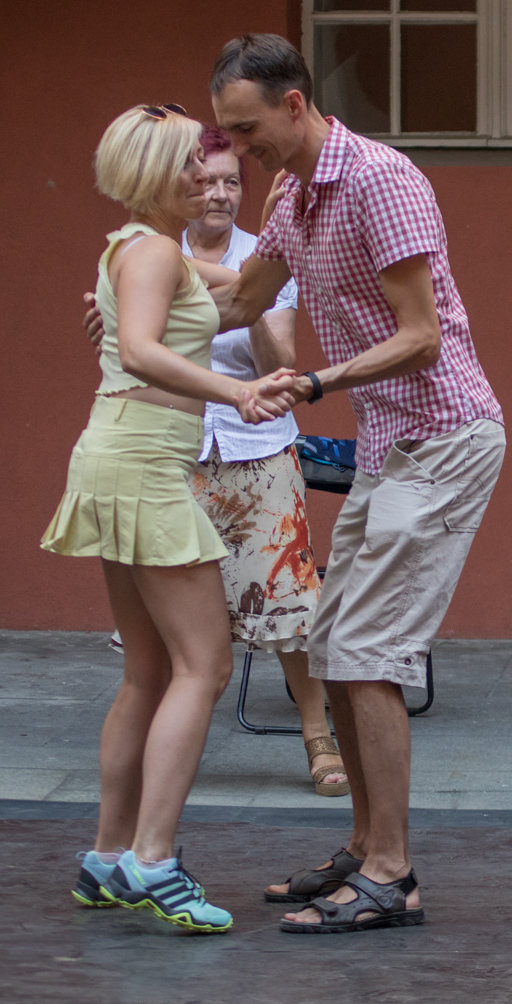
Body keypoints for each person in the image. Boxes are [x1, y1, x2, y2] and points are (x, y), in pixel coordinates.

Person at [202, 34, 507, 932]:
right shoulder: (295, 192)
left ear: (295, 105)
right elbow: (241, 301)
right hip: (390, 440)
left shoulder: (379, 178)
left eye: (246, 128)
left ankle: (391, 872)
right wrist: (138, 290)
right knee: (332, 636)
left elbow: (423, 334)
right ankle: (366, 841)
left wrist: (320, 381)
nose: (238, 149)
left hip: (446, 435)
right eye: (227, 131)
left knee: (367, 648)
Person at [45, 103, 295, 932]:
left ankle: (109, 856)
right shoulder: (153, 249)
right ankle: (153, 862)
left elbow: (246, 293)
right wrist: (238, 390)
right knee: (204, 666)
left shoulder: (139, 248)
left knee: (148, 671)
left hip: (120, 454)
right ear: (156, 171)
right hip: (146, 464)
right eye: (195, 162)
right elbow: (148, 348)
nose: (210, 176)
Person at [182, 124, 345, 797]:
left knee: (291, 604)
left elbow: (279, 365)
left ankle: (318, 737)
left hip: (259, 449)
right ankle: (175, 745)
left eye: (230, 182)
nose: (220, 194)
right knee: (177, 618)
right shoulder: (153, 256)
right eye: (206, 181)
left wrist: (247, 296)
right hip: (179, 453)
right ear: (180, 188)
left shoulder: (267, 257)